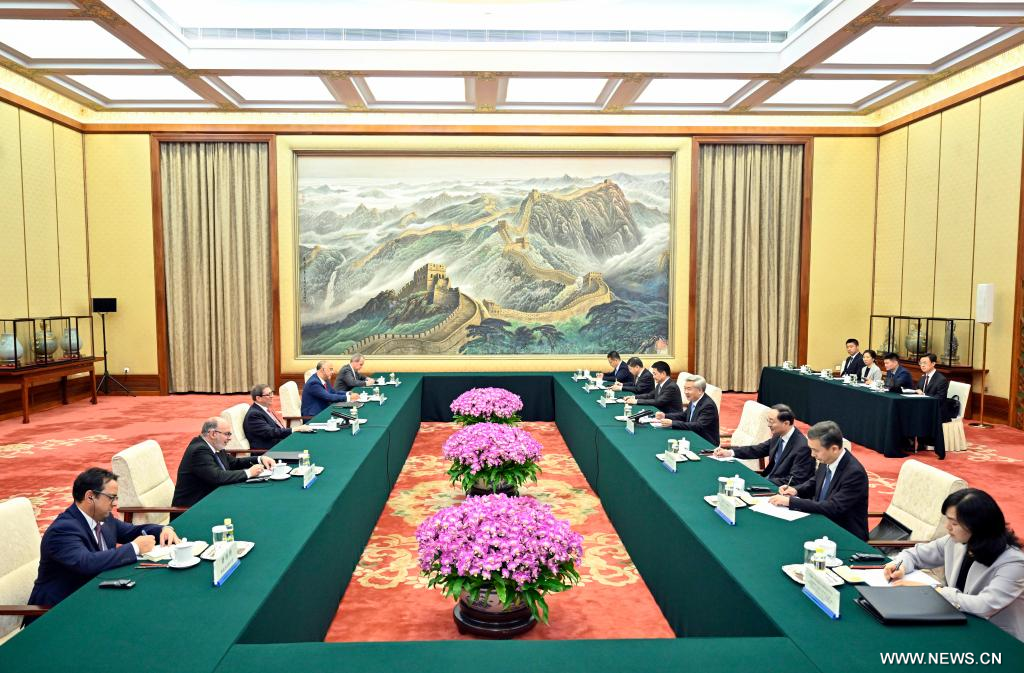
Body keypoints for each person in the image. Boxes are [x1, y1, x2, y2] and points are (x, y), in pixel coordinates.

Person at [28, 467, 180, 609]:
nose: (115, 504)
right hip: (60, 608)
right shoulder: (63, 530)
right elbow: (86, 562)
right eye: (111, 497)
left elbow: (132, 531)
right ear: (90, 497)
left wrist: (163, 529)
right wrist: (135, 547)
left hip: (97, 593)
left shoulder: (103, 517)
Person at [885, 489, 1024, 642]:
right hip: (956, 623)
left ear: (977, 525)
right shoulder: (956, 541)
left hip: (997, 638)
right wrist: (900, 566)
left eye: (954, 523)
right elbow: (914, 554)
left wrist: (932, 591)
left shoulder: (1014, 563)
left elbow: (984, 605)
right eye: (948, 520)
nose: (948, 527)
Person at [769, 420, 868, 540]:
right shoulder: (826, 459)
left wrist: (791, 502)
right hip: (820, 520)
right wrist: (796, 490)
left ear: (834, 449)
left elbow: (834, 507)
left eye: (815, 450)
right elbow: (815, 482)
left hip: (844, 533)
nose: (812, 454)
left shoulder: (854, 474)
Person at [172, 417, 276, 509]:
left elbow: (234, 463)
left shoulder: (215, 446)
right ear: (213, 434)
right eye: (227, 434)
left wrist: (260, 459)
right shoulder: (199, 451)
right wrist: (249, 473)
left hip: (213, 498)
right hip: (193, 509)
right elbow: (217, 477)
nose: (230, 438)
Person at [715, 404, 814, 486]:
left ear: (786, 423)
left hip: (781, 489)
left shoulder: (802, 447)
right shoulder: (778, 435)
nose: (768, 425)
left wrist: (761, 483)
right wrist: (730, 452)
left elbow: (795, 480)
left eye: (772, 421)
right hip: (768, 480)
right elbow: (758, 449)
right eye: (768, 421)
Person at [243, 384, 313, 452]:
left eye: (271, 393)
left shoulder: (264, 409)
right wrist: (295, 429)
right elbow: (270, 432)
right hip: (269, 451)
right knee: (306, 446)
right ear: (258, 398)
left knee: (307, 439)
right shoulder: (254, 415)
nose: (272, 396)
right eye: (268, 394)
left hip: (279, 443)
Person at [654, 374, 719, 445]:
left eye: (689, 389)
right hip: (692, 435)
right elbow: (684, 415)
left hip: (705, 442)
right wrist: (665, 416)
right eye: (685, 388)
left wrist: (672, 423)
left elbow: (698, 426)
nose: (685, 392)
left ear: (700, 390)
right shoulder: (694, 399)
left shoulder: (708, 406)